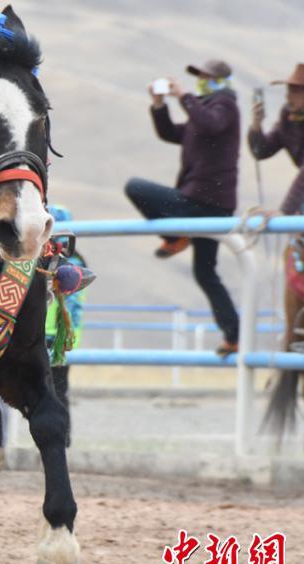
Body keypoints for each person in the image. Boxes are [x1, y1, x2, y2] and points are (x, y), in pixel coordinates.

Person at [124, 59, 241, 356]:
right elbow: (173, 134)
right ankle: (235, 335)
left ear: (219, 80)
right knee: (205, 274)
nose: (200, 81)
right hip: (206, 205)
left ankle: (176, 236)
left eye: (205, 76)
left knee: (135, 187)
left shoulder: (224, 105)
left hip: (205, 204)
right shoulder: (205, 109)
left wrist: (183, 97)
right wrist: (159, 105)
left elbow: (209, 124)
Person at [250, 64, 304, 353]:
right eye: (289, 90)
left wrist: (284, 213)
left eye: (296, 91)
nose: (290, 96)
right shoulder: (289, 119)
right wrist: (255, 126)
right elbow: (262, 150)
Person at [44, 205, 87, 414]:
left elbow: (71, 307)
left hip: (55, 337)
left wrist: (62, 337)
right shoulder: (76, 263)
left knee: (56, 392)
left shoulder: (70, 266)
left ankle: (62, 438)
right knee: (55, 391)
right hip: (53, 335)